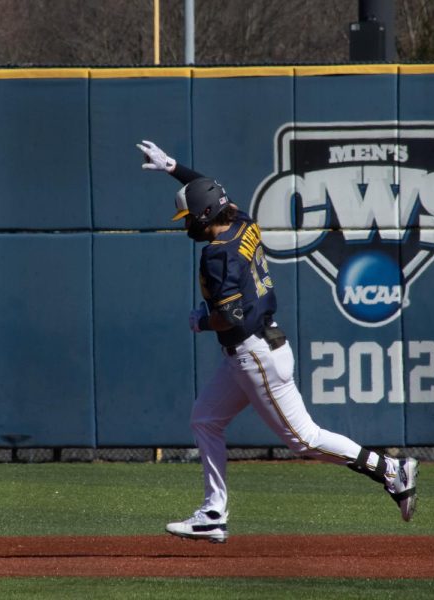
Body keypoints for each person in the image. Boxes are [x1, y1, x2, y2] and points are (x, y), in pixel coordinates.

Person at [137, 140, 418, 543]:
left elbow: (231, 317)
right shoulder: (241, 222)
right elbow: (212, 191)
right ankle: (213, 513)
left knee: (304, 440)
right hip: (253, 349)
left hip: (255, 354)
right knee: (205, 419)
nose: (186, 225)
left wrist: (202, 321)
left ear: (204, 216)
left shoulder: (217, 254)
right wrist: (174, 168)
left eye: (189, 217)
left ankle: (391, 470)